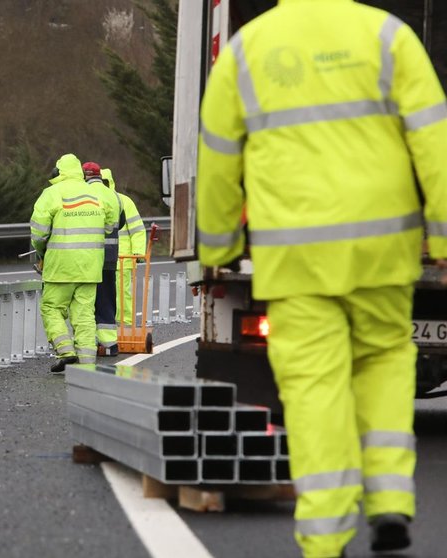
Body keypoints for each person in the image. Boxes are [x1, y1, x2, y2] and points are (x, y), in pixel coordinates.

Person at [196, 2, 447, 557]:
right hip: (381, 250)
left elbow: (217, 159)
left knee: (315, 388)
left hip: (296, 258)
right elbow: (434, 141)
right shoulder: (388, 36)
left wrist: (217, 245)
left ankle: (325, 536)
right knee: (384, 358)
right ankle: (389, 499)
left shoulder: (245, 51)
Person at [31, 154, 120, 373]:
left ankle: (65, 350)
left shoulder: (51, 194)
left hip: (60, 266)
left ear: (58, 172)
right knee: (85, 314)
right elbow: (112, 223)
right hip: (90, 266)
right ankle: (88, 360)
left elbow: (39, 233)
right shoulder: (98, 193)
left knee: (52, 308)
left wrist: (41, 254)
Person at [84, 162, 125, 356]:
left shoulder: (84, 193)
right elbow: (121, 222)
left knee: (87, 301)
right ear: (100, 176)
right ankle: (110, 345)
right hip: (110, 256)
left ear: (85, 176)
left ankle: (90, 343)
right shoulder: (114, 195)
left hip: (90, 256)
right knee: (107, 299)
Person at [102, 168, 147, 343]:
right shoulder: (91, 201)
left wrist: (137, 253)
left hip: (123, 259)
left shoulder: (123, 201)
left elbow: (137, 229)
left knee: (122, 295)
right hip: (99, 259)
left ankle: (125, 327)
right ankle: (106, 328)